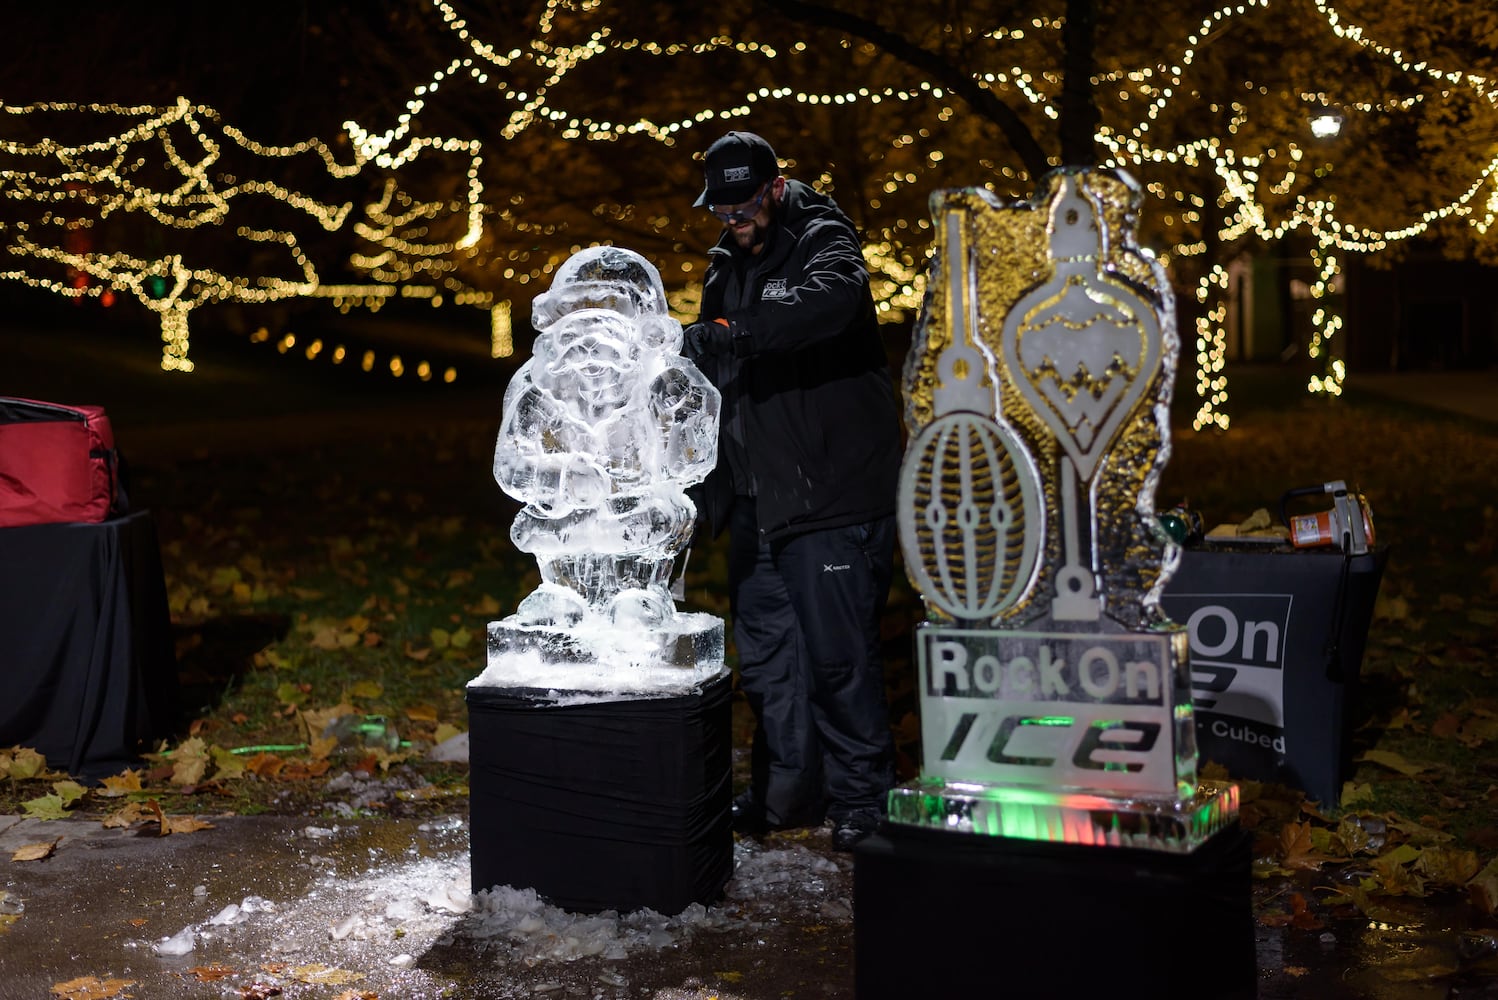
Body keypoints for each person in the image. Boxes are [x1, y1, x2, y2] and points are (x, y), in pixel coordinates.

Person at [681, 130, 903, 851]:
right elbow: (718, 373)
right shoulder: (724, 263)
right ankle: (786, 797)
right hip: (757, 503)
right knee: (771, 662)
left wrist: (734, 331)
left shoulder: (824, 238)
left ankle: (863, 799)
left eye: (744, 205)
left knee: (840, 659)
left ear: (775, 189)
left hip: (830, 497)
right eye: (721, 208)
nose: (734, 220)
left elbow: (828, 306)